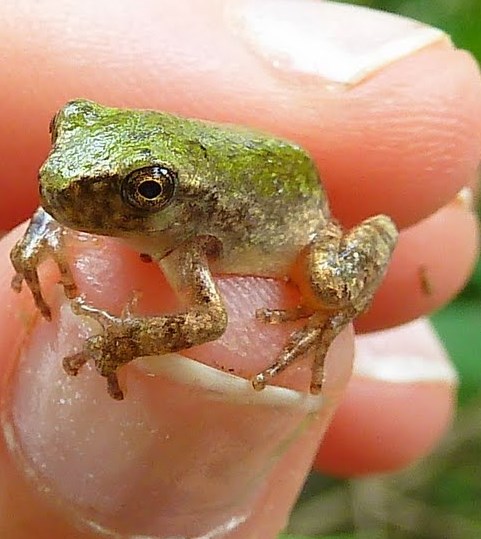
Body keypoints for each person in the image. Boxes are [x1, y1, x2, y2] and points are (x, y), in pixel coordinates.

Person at [0, 1, 479, 537]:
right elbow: (66, 184)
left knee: (328, 287)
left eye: (146, 190)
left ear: (172, 200)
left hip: (298, 222)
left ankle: (326, 317)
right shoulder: (90, 184)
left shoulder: (190, 242)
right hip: (221, 171)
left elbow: (211, 321)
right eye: (61, 133)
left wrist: (120, 342)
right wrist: (47, 225)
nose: (54, 180)